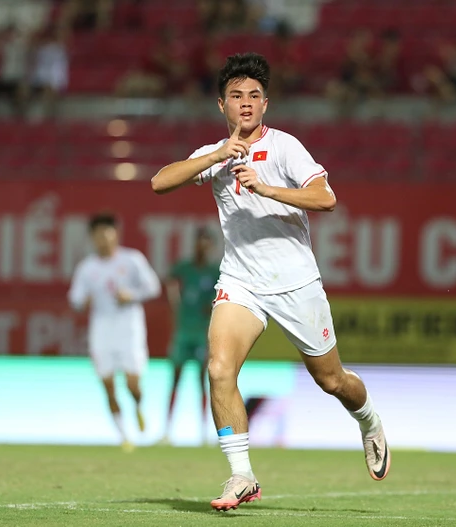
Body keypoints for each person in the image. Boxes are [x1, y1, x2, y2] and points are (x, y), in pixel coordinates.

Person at [151, 52, 390, 511]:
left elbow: (326, 198)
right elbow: (159, 183)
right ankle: (241, 475)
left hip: (296, 282)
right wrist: (219, 154)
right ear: (221, 104)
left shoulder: (284, 147)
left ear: (266, 104)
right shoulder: (213, 155)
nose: (246, 103)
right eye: (236, 95)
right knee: (219, 368)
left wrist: (267, 188)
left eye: (254, 96)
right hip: (241, 281)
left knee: (332, 380)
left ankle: (369, 420)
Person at [67, 212, 161, 452]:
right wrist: (83, 301)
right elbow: (75, 298)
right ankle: (123, 436)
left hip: (129, 329)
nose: (102, 240)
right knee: (108, 385)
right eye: (97, 235)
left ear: (115, 235)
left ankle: (138, 406)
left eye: (106, 234)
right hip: (102, 331)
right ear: (92, 238)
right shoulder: (87, 268)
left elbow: (153, 287)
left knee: (132, 384)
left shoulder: (132, 260)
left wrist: (132, 295)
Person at [160, 228, 220, 445]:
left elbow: (220, 297)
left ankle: (203, 433)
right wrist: (175, 302)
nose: (202, 247)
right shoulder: (184, 268)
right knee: (175, 379)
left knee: (202, 381)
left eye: (206, 243)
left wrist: (212, 306)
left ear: (211, 247)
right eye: (199, 242)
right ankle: (166, 431)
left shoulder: (215, 272)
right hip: (183, 331)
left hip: (202, 332)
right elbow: (170, 281)